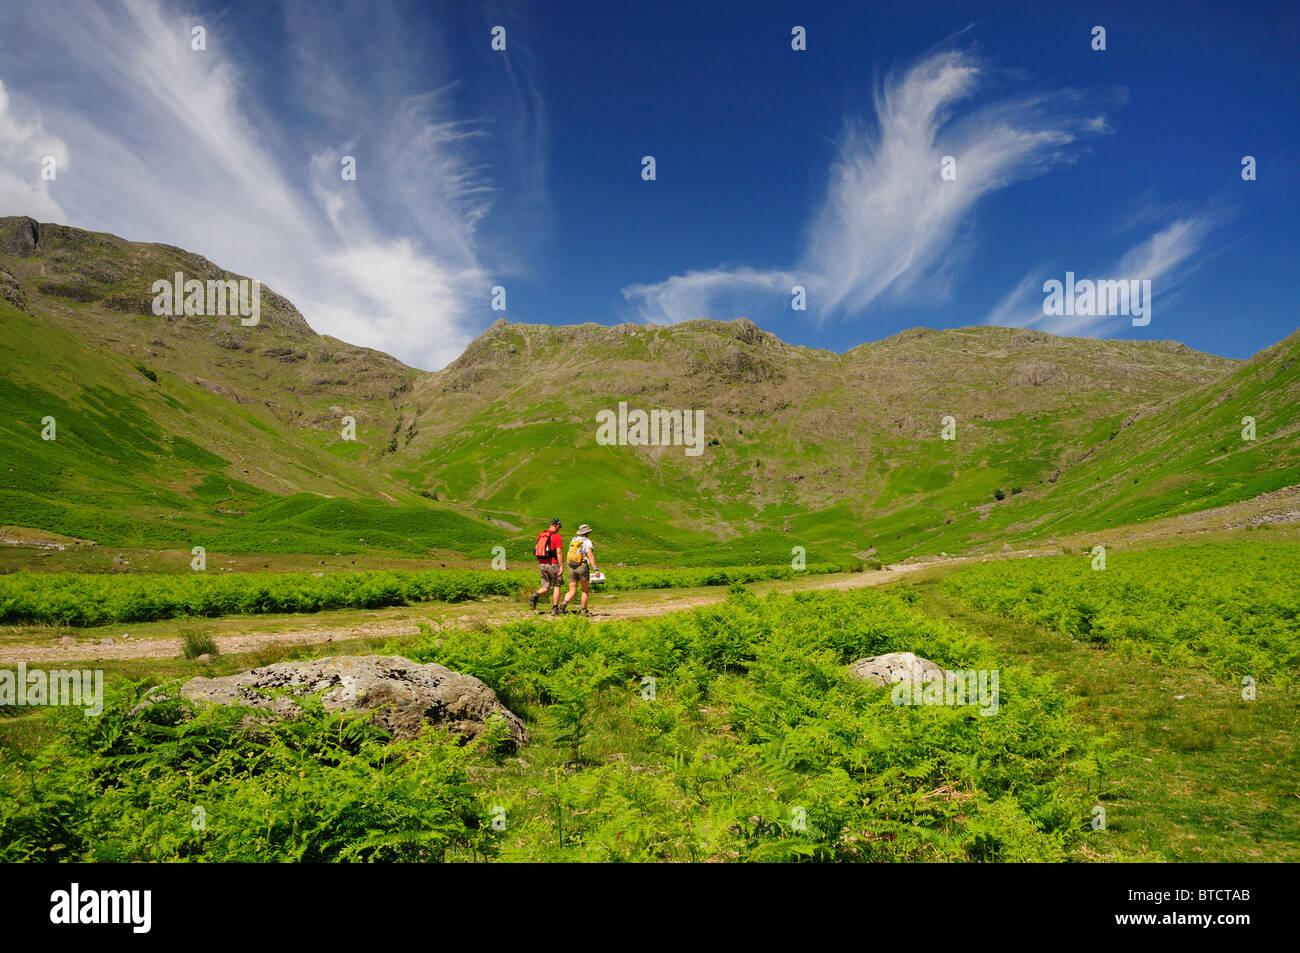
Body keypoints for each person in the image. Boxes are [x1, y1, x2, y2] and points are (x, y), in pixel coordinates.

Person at [560, 523, 597, 616]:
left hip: (571, 566)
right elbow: (590, 555)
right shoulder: (587, 541)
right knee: (585, 590)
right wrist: (595, 568)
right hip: (582, 565)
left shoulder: (574, 540)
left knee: (572, 590)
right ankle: (584, 610)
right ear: (587, 532)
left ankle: (564, 603)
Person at [530, 518, 564, 612]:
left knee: (546, 586)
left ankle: (535, 595)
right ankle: (554, 608)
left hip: (541, 563)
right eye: (559, 527)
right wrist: (561, 565)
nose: (559, 529)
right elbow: (559, 552)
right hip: (553, 563)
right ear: (556, 525)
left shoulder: (541, 535)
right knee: (556, 585)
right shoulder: (557, 536)